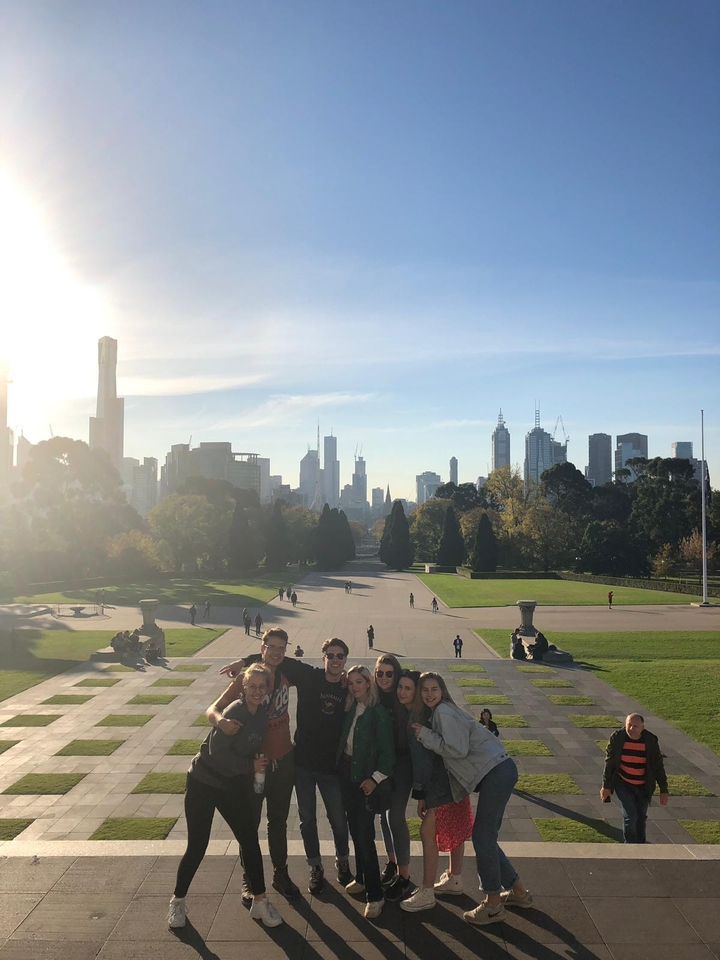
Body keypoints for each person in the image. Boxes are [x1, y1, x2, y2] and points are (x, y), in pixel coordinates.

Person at [222, 637, 353, 896]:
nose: (335, 660)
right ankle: (252, 876)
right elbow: (273, 656)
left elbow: (372, 688)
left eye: (340, 656)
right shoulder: (306, 676)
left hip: (300, 763)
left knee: (294, 821)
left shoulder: (349, 685)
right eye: (331, 655)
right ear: (323, 657)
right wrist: (243, 661)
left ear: (345, 659)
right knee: (257, 822)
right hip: (277, 764)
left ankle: (289, 872)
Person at [410, 672, 532, 925]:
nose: (430, 693)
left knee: (482, 837)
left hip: (495, 772)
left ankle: (493, 905)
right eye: (425, 690)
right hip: (500, 770)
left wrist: (424, 734)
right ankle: (518, 892)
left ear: (442, 691)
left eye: (435, 688)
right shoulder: (448, 710)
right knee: (486, 836)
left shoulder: (443, 712)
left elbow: (457, 749)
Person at [168, 663, 282, 929]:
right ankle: (177, 900)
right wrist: (249, 767)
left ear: (267, 689)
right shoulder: (235, 711)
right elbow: (217, 753)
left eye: (261, 687)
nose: (256, 691)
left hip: (230, 786)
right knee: (198, 845)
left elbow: (250, 746)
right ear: (243, 688)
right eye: (251, 686)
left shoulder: (261, 712)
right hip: (203, 782)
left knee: (249, 840)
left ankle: (260, 902)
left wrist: (258, 762)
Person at [208, 628, 300, 900]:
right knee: (249, 824)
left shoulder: (286, 673)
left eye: (281, 648)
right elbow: (212, 709)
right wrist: (221, 721)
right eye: (271, 647)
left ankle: (280, 873)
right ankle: (249, 878)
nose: (275, 652)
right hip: (254, 766)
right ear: (262, 648)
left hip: (283, 760)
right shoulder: (249, 680)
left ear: (285, 650)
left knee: (279, 822)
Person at [401, 672, 474, 913]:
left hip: (441, 784)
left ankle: (427, 890)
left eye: (409, 688)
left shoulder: (420, 718)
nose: (403, 692)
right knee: (453, 827)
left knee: (427, 832)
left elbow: (423, 761)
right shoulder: (438, 712)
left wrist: (420, 793)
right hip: (454, 780)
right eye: (424, 690)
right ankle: (455, 878)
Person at [338, 665, 395, 919]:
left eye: (359, 682)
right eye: (350, 683)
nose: (354, 687)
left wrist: (374, 779)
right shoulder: (351, 708)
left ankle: (375, 895)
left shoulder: (377, 712)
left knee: (364, 836)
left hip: (366, 781)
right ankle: (361, 877)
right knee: (356, 830)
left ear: (369, 683)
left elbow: (388, 756)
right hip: (348, 777)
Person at [373, 655, 414, 903]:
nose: (385, 678)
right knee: (383, 816)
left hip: (403, 764)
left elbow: (418, 679)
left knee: (396, 817)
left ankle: (405, 876)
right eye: (380, 673)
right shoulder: (373, 695)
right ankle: (391, 862)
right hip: (381, 765)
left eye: (390, 674)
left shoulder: (402, 693)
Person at [600, 713, 668, 844]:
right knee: (630, 815)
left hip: (643, 785)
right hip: (623, 783)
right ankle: (630, 846)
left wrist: (663, 790)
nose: (631, 729)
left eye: (635, 726)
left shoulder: (650, 741)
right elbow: (609, 763)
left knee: (641, 817)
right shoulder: (618, 738)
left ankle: (641, 844)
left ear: (642, 727)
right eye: (629, 725)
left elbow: (658, 767)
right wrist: (606, 786)